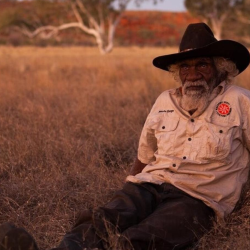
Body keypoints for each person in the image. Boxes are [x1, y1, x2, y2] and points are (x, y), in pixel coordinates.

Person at [1, 22, 250, 250]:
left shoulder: (239, 100)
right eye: (185, 66)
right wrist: (127, 195)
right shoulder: (165, 100)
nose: (192, 74)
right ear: (177, 71)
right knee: (102, 220)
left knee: (143, 238)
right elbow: (145, 155)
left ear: (221, 67)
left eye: (202, 65)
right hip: (150, 184)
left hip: (199, 199)